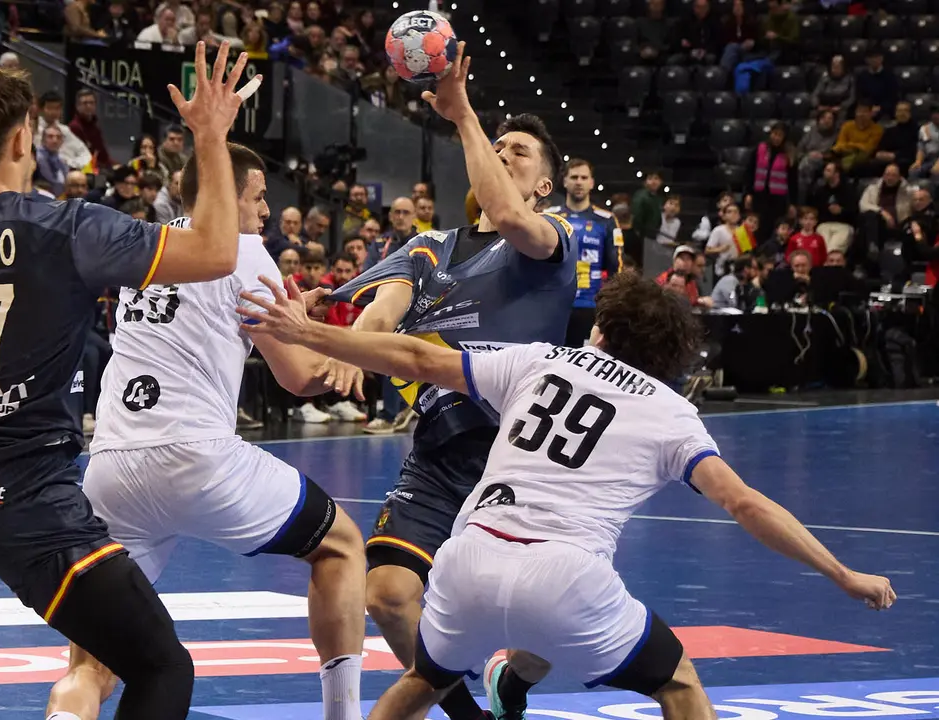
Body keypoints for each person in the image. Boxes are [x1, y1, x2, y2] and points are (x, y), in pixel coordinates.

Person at [239, 271, 896, 720]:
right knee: (676, 682)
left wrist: (307, 333)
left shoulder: (541, 361)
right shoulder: (671, 414)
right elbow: (744, 504)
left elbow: (414, 359)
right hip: (565, 576)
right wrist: (840, 572)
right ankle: (517, 674)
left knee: (422, 681)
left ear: (603, 331)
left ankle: (509, 678)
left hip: (466, 561)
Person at [0, 45, 250, 720]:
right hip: (30, 501)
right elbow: (213, 252)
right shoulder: (68, 229)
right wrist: (210, 137)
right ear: (24, 137)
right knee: (158, 663)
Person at [44, 142, 367, 720]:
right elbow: (298, 379)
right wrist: (344, 354)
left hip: (111, 467)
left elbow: (206, 315)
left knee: (91, 667)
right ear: (225, 193)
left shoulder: (146, 244)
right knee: (341, 545)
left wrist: (289, 318)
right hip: (198, 459)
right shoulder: (245, 251)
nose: (267, 210)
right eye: (259, 195)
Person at [320, 41, 577, 720]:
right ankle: (469, 715)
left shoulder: (552, 234)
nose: (504, 152)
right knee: (387, 596)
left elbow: (514, 219)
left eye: (518, 151)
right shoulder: (428, 246)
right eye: (499, 144)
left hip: (521, 458)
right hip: (440, 449)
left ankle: (512, 681)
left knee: (555, 622)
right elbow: (382, 310)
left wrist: (463, 116)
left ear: (544, 184)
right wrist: (355, 346)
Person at [546, 157, 623, 348]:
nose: (579, 182)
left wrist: (612, 307)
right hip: (553, 305)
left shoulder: (606, 220)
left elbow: (617, 267)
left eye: (583, 177)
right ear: (564, 181)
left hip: (590, 307)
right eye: (574, 177)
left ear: (591, 182)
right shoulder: (549, 216)